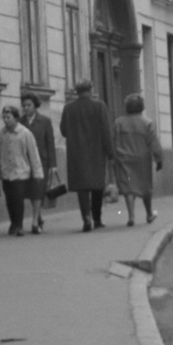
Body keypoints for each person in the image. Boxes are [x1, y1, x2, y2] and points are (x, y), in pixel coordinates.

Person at [61, 77, 115, 231]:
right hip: (96, 151)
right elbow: (106, 131)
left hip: (76, 152)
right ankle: (97, 218)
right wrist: (110, 153)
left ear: (77, 91)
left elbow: (64, 130)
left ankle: (86, 217)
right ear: (90, 90)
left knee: (82, 187)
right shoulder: (99, 106)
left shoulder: (68, 108)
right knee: (97, 185)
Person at [112, 93, 163, 225]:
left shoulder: (119, 122)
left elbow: (114, 140)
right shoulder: (147, 123)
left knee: (128, 187)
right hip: (142, 160)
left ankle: (131, 216)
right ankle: (149, 214)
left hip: (124, 159)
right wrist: (159, 159)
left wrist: (113, 157)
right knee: (145, 186)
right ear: (141, 107)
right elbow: (154, 143)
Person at [0, 103, 43, 236]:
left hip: (20, 172)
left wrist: (37, 172)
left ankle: (19, 225)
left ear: (16, 118)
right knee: (9, 199)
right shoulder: (0, 134)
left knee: (18, 199)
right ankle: (13, 222)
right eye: (4, 117)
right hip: (5, 172)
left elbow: (33, 153)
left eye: (8, 117)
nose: (6, 120)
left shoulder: (25, 133)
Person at [19, 92, 58, 228]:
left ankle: (35, 221)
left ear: (35, 106)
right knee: (30, 191)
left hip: (42, 161)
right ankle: (38, 215)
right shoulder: (19, 122)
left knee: (38, 190)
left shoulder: (45, 121)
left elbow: (50, 142)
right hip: (25, 161)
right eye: (24, 105)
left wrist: (53, 164)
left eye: (29, 105)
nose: (26, 108)